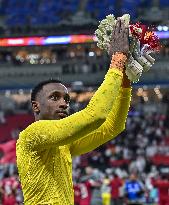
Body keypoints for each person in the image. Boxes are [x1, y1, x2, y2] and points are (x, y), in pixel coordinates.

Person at [16, 19, 132, 205]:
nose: (63, 103)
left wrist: (125, 82)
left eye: (66, 99)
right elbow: (95, 116)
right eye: (55, 97)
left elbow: (113, 126)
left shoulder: (63, 145)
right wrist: (117, 61)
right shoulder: (31, 135)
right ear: (36, 106)